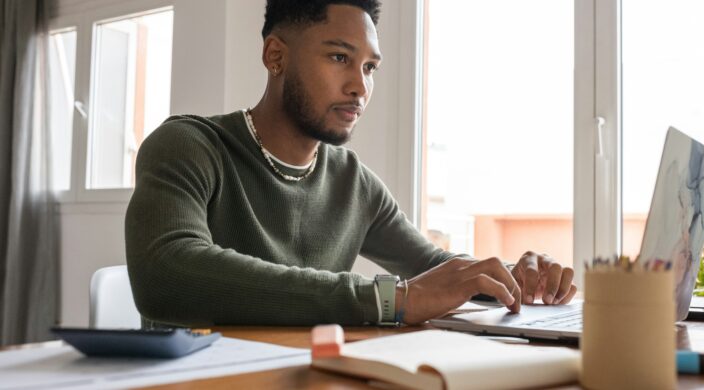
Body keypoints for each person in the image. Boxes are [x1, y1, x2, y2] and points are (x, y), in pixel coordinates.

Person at [125, 0, 576, 328]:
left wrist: (508, 276)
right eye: (340, 57)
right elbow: (165, 272)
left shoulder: (352, 182)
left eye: (369, 68)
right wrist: (390, 299)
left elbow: (432, 268)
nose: (359, 87)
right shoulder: (189, 145)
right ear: (275, 56)